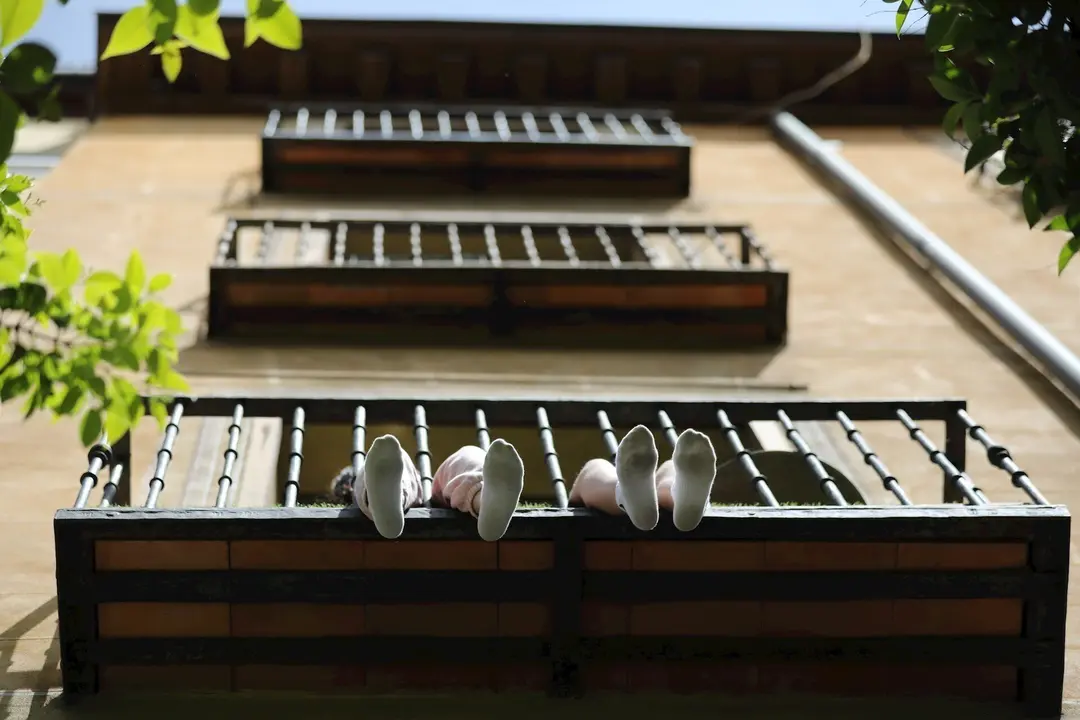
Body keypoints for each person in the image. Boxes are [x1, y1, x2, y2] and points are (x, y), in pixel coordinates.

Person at [330, 426, 718, 541]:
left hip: (421, 499)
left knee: (594, 471)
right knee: (467, 456)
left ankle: (481, 497)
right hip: (439, 497)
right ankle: (675, 494)